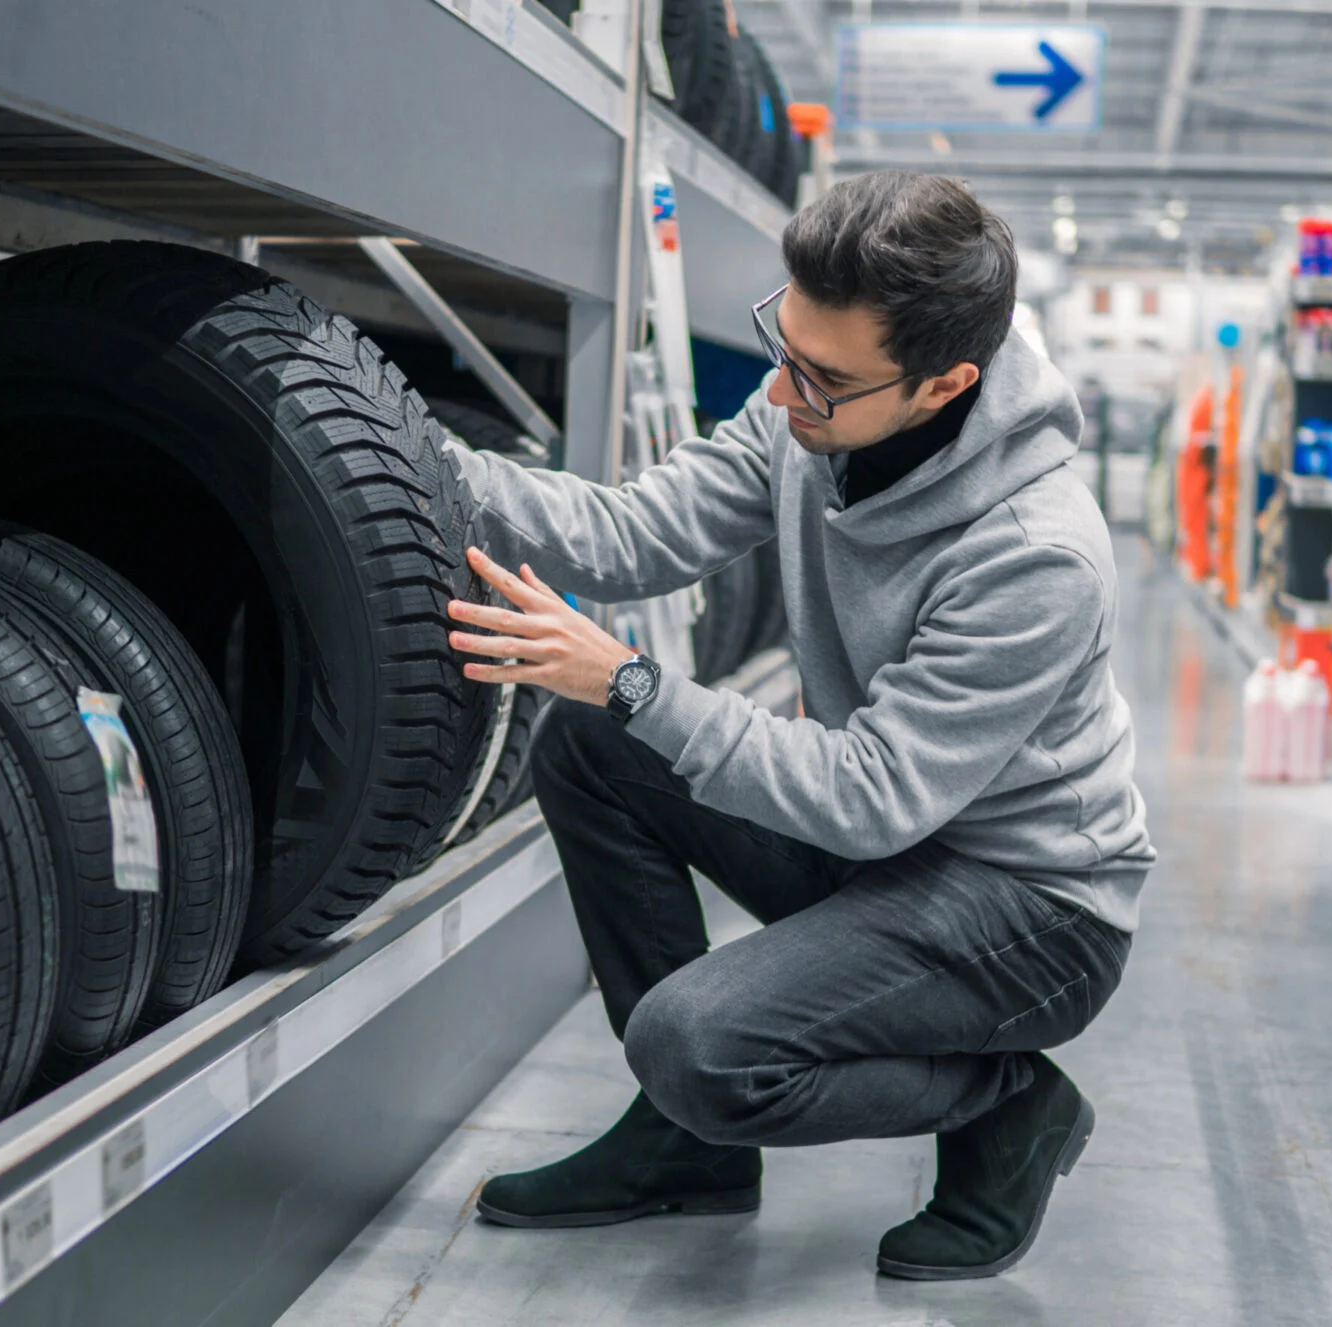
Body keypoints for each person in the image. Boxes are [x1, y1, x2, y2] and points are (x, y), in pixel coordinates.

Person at [440, 170, 1153, 1282]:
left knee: (696, 1044)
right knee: (590, 744)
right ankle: (684, 1150)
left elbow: (870, 798)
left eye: (820, 379)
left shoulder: (1035, 552)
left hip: (1033, 910)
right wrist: (415, 459)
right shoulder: (817, 398)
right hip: (899, 845)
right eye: (785, 347)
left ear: (944, 383)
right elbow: (635, 534)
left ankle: (1006, 1103)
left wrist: (632, 679)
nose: (783, 397)